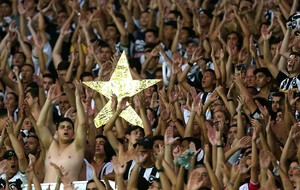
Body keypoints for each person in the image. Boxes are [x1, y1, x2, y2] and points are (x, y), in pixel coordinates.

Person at [35, 83, 87, 183]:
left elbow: (83, 124)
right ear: (57, 132)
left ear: (73, 133)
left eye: (69, 128)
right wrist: (48, 101)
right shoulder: (50, 145)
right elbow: (40, 125)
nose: (66, 130)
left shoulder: (77, 146)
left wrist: (77, 98)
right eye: (62, 127)